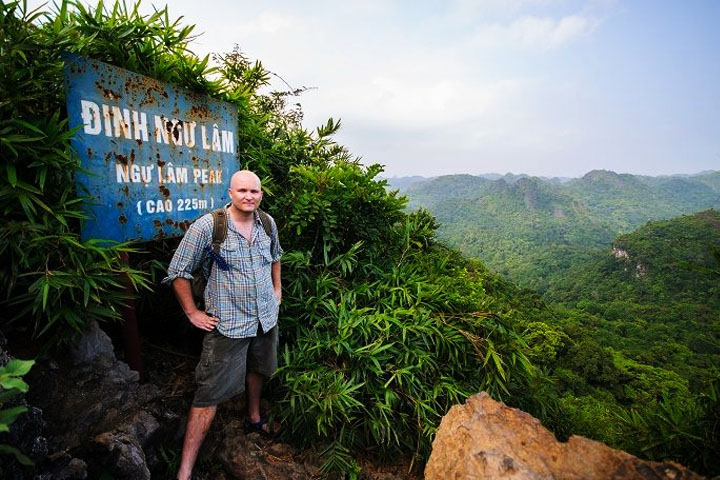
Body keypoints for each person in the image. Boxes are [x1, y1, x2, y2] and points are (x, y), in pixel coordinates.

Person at [163, 170, 283, 480]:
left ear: (261, 195)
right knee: (208, 394)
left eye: (254, 192)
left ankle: (254, 418)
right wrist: (192, 313)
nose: (249, 196)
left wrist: (276, 290)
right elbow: (178, 272)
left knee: (258, 368)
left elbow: (275, 256)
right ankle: (185, 471)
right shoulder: (209, 226)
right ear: (230, 193)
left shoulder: (267, 223)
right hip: (227, 322)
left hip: (264, 318)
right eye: (242, 190)